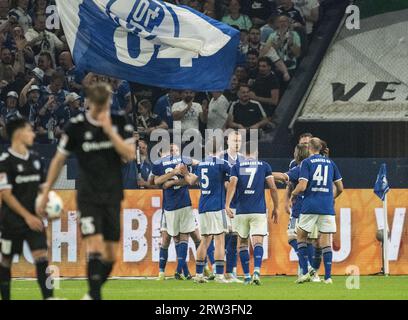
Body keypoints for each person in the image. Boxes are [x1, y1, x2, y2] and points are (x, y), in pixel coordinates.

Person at [38, 82, 136, 300]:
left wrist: (109, 130)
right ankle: (94, 296)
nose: (103, 109)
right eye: (100, 104)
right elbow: (58, 159)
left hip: (112, 194)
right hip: (88, 195)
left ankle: (91, 294)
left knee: (110, 255)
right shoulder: (76, 126)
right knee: (94, 246)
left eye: (106, 104)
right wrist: (46, 189)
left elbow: (129, 154)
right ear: (89, 103)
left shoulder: (119, 121)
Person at [0, 117, 55, 300]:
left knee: (41, 257)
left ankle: (49, 297)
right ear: (18, 133)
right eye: (29, 130)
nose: (33, 134)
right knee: (6, 261)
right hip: (11, 222)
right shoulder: (5, 161)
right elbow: (6, 194)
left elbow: (41, 188)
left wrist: (47, 205)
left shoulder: (36, 159)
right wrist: (27, 217)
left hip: (34, 220)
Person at [225, 142, 279, 285]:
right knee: (258, 242)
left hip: (241, 210)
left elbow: (232, 184)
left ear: (243, 154)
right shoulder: (264, 166)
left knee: (242, 243)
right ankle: (256, 271)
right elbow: (273, 188)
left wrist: (227, 204)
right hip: (258, 210)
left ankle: (247, 276)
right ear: (256, 153)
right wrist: (276, 207)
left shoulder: (236, 167)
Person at [292, 138, 343, 284]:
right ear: (321, 148)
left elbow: (302, 186)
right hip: (326, 206)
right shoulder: (331, 163)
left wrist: (293, 194)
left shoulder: (306, 163)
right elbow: (340, 188)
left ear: (309, 148)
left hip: (309, 206)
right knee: (326, 241)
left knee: (301, 236)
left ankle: (305, 272)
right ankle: (328, 277)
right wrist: (330, 197)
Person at [182, 139, 230, 283]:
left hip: (203, 206)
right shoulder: (223, 164)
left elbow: (191, 181)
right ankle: (220, 276)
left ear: (207, 150)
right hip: (217, 206)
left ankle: (198, 275)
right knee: (220, 240)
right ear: (220, 149)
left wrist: (185, 173)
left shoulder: (201, 164)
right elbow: (230, 183)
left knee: (204, 241)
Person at [151, 142, 199, 280]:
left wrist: (172, 182)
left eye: (176, 150)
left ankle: (195, 269)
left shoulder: (183, 162)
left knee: (193, 237)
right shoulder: (163, 164)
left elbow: (190, 180)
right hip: (169, 206)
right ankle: (164, 272)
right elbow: (155, 182)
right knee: (169, 238)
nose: (174, 153)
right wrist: (173, 174)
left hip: (182, 203)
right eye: (172, 150)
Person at [272, 143, 310, 278]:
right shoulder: (314, 166)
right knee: (309, 240)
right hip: (313, 207)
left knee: (292, 237)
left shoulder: (299, 168)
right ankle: (311, 271)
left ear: (297, 154)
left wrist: (266, 173)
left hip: (299, 208)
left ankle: (307, 266)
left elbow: (283, 177)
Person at [223, 130, 245, 283]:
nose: (237, 144)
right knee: (221, 237)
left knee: (234, 238)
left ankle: (230, 272)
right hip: (223, 204)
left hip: (239, 205)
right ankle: (215, 270)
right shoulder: (221, 159)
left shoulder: (243, 160)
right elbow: (223, 182)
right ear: (227, 142)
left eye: (239, 141)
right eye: (234, 141)